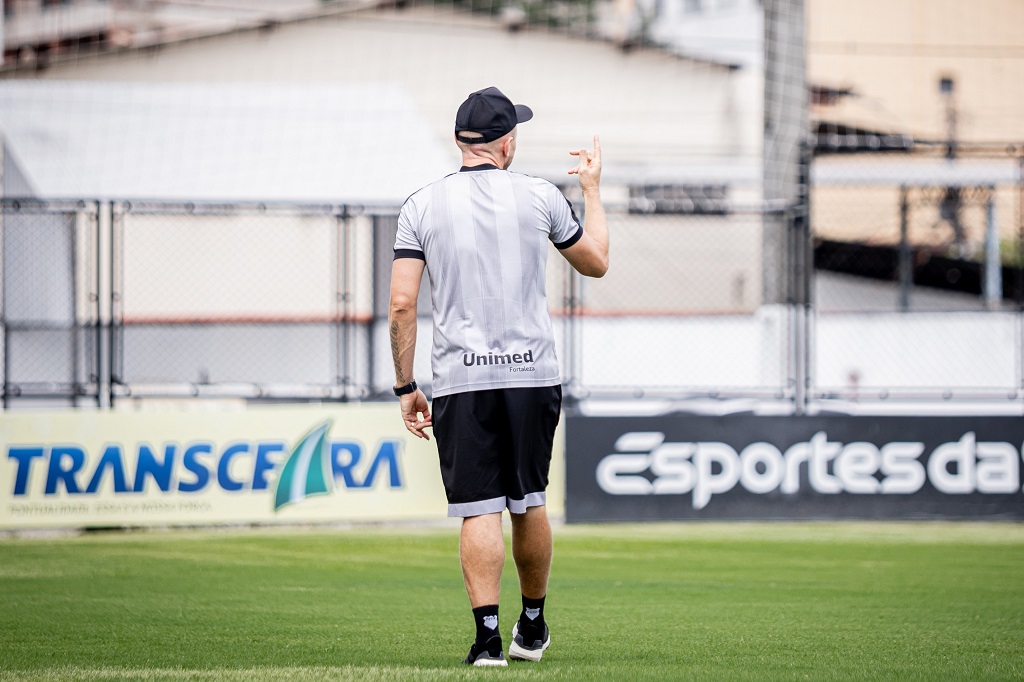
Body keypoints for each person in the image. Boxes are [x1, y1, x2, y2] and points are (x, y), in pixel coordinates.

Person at [388, 86, 608, 667]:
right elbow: (597, 263)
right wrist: (591, 190)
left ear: (461, 141)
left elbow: (402, 304)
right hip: (531, 374)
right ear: (506, 142)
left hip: (461, 378)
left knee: (477, 507)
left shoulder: (420, 205)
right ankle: (531, 627)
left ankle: (487, 640)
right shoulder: (541, 196)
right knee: (528, 502)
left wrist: (406, 386)